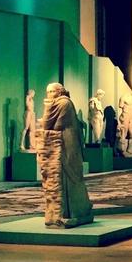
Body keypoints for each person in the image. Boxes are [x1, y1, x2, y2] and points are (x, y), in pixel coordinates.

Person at [37, 83, 93, 228]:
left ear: (59, 92)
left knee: (66, 174)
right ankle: (68, 212)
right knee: (65, 176)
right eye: (47, 91)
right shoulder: (63, 102)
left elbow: (50, 125)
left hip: (64, 144)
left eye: (51, 91)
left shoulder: (63, 103)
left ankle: (68, 212)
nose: (49, 94)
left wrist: (48, 107)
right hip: (66, 142)